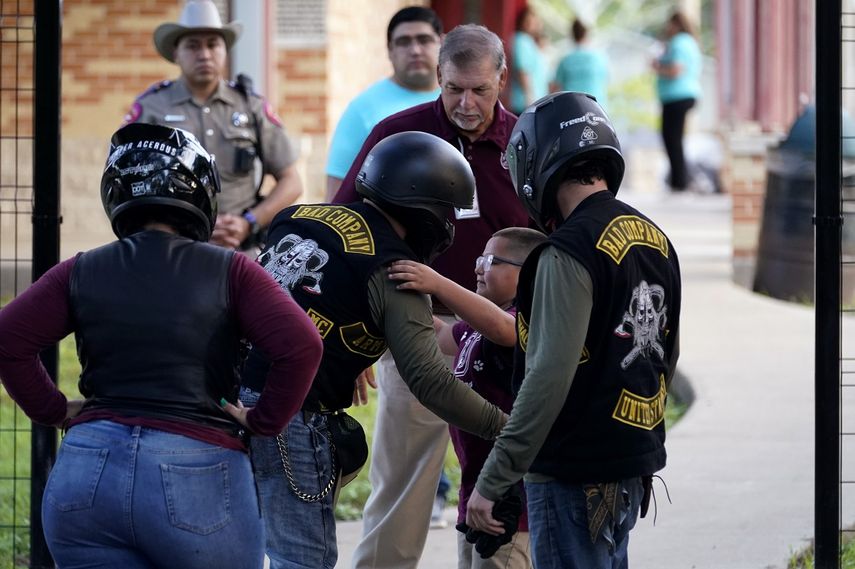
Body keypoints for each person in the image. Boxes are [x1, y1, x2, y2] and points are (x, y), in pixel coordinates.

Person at [0, 123, 323, 569]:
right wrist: (264, 420)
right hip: (197, 469)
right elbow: (302, 345)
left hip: (86, 472)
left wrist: (53, 409)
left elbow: (7, 339)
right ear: (203, 194)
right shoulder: (234, 270)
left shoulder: (80, 270)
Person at [240, 130, 509, 569]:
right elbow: (431, 382)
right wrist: (510, 429)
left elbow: (305, 297)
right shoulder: (395, 270)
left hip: (225, 398)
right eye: (446, 209)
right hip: (291, 415)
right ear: (426, 211)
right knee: (301, 560)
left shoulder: (298, 216)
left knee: (238, 546)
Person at [333, 24, 531, 569]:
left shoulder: (525, 147)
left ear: (501, 80)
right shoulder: (398, 136)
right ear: (438, 79)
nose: (465, 104)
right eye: (452, 90)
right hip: (412, 326)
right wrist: (352, 344)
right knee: (403, 486)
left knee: (494, 481)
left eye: (479, 90)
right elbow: (348, 233)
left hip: (500, 339)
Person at [465, 92, 682, 569]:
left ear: (538, 160)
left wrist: (494, 480)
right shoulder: (656, 239)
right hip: (630, 463)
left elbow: (546, 379)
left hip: (571, 473)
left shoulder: (567, 250)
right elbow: (667, 356)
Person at [387, 226, 547, 569]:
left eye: (490, 261)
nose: (478, 267)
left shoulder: (526, 320)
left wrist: (438, 283)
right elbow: (440, 335)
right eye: (479, 258)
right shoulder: (474, 327)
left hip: (510, 501)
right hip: (474, 489)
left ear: (528, 273)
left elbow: (502, 330)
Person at [124, 0, 303, 249]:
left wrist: (249, 222)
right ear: (176, 52)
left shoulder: (251, 106)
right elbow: (126, 182)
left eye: (213, 44)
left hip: (240, 252)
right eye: (193, 45)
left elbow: (292, 181)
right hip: (172, 253)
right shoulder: (151, 108)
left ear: (225, 49)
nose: (205, 54)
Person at [325, 6, 443, 200]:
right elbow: (336, 195)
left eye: (424, 40)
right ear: (390, 50)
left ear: (442, 43)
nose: (415, 50)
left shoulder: (461, 102)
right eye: (404, 42)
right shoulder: (362, 109)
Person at [651, 10, 702, 192]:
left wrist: (658, 67)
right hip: (685, 95)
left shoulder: (679, 43)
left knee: (672, 138)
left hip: (677, 96)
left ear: (676, 25)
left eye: (669, 24)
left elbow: (675, 70)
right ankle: (677, 178)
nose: (667, 28)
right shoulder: (689, 42)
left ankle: (679, 181)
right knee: (674, 138)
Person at [552, 18, 609, 110]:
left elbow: (555, 87)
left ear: (572, 35)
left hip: (572, 108)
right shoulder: (598, 58)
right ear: (586, 34)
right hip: (597, 108)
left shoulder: (565, 60)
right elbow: (605, 79)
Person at [509, 7, 549, 115]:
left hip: (534, 102)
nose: (532, 24)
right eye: (528, 21)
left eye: (533, 20)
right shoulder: (521, 40)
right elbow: (523, 70)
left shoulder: (529, 42)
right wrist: (529, 98)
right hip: (526, 103)